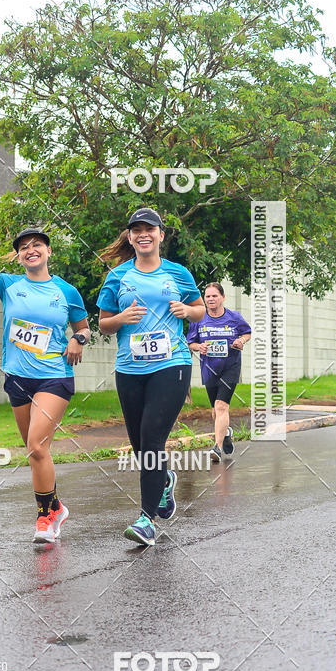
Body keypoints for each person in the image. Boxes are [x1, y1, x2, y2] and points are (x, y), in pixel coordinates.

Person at [0, 209, 90, 544]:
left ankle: (45, 517)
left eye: (37, 245)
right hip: (17, 377)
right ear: (19, 256)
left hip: (53, 377)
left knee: (35, 446)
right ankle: (56, 506)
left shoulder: (66, 291)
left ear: (48, 251)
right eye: (24, 247)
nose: (31, 249)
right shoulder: (9, 284)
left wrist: (78, 340)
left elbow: (84, 328)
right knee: (36, 451)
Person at [97, 207, 205, 547]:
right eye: (136, 230)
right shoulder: (117, 277)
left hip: (171, 363)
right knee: (141, 446)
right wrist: (123, 317)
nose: (143, 234)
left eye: (150, 229)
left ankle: (146, 519)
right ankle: (165, 480)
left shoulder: (177, 273)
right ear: (130, 238)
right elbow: (103, 323)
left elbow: (199, 308)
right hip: (130, 367)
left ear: (160, 235)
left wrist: (188, 311)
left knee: (152, 438)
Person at [187, 282, 251, 463]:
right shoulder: (198, 319)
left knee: (222, 406)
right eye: (207, 296)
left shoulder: (234, 317)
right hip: (209, 369)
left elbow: (247, 333)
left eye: (214, 296)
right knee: (215, 410)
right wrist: (199, 346)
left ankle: (217, 447)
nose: (210, 299)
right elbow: (190, 343)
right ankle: (227, 432)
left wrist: (241, 341)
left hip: (230, 367)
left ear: (222, 297)